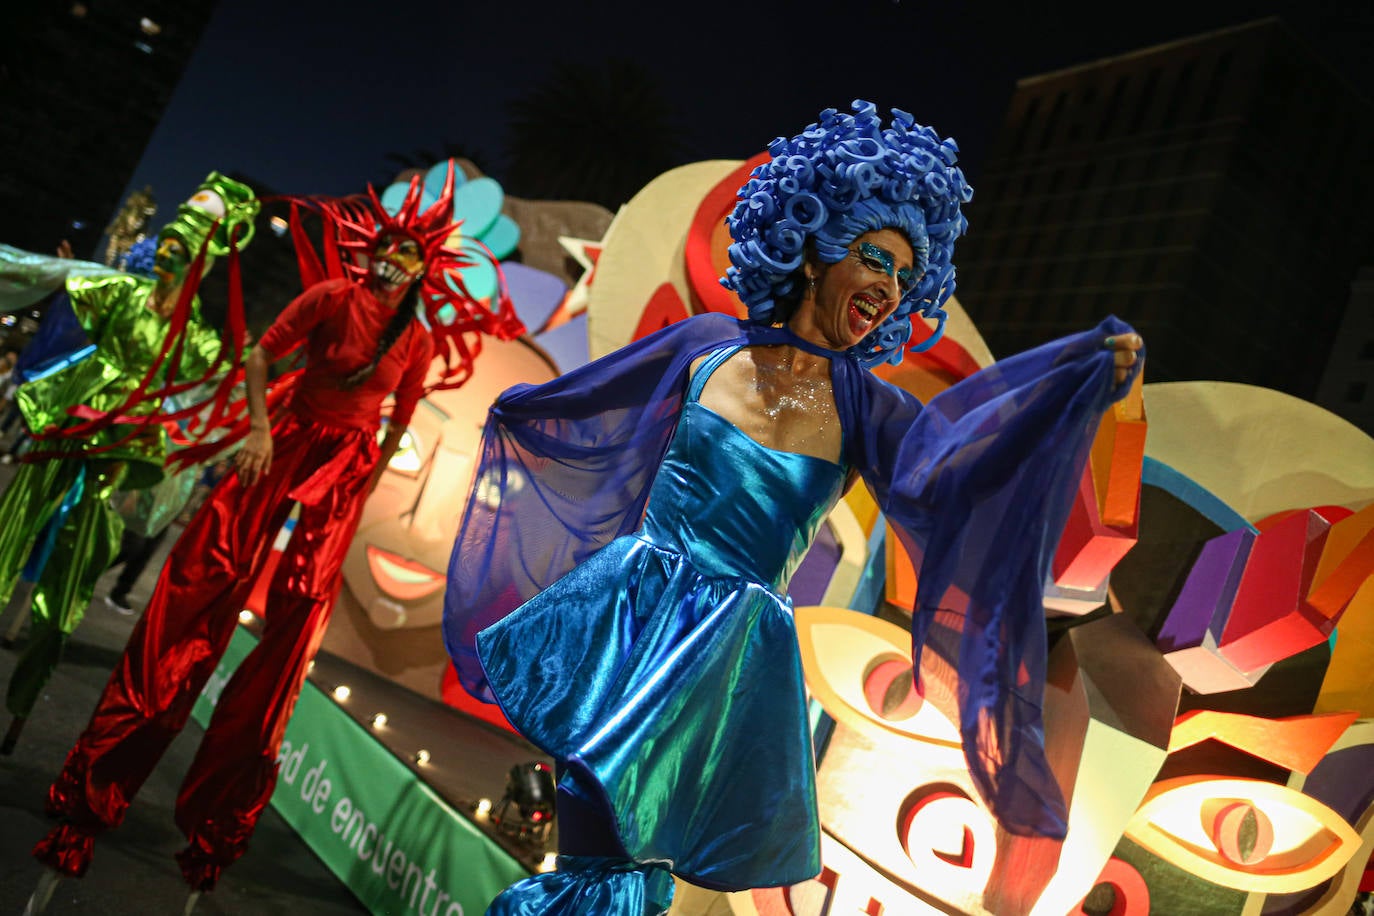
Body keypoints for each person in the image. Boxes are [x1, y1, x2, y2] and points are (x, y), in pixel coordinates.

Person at [442, 100, 1144, 913]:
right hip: (631, 625)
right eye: (876, 259)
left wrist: (1072, 389)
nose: (888, 289)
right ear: (814, 245)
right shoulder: (704, 345)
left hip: (726, 663)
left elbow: (964, 485)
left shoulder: (870, 410)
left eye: (904, 279)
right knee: (593, 851)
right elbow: (571, 410)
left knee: (638, 867)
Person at [31, 167, 524, 903]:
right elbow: (263, 355)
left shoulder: (415, 341)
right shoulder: (333, 297)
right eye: (386, 247)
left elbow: (396, 422)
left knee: (287, 649)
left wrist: (359, 484)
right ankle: (95, 790)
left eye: (407, 254)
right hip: (282, 446)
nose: (393, 262)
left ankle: (214, 830)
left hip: (338, 479)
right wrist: (260, 429)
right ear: (372, 250)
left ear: (424, 270)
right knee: (194, 603)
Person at [0, 174, 259, 754]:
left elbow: (233, 373)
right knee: (14, 522)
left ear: (199, 265)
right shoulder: (119, 292)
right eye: (166, 241)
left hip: (121, 440)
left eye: (180, 248)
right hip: (72, 415)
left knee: (78, 554)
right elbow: (59, 279)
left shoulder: (192, 336)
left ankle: (27, 688)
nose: (167, 251)